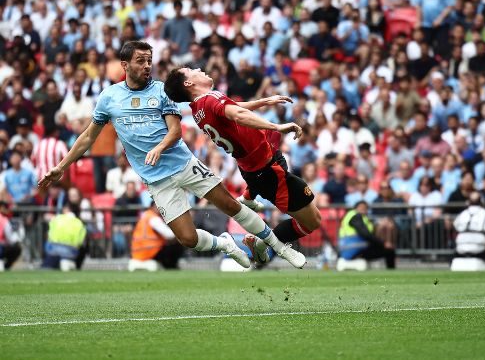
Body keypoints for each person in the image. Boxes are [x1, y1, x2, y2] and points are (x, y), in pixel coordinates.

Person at [39, 41, 306, 271]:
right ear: (124, 65)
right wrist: (61, 167)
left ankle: (280, 249)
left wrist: (159, 147)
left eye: (149, 61)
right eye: (140, 61)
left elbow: (175, 131)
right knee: (187, 238)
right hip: (156, 180)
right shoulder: (109, 98)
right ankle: (224, 243)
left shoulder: (160, 91)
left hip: (183, 164)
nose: (147, 66)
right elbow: (88, 136)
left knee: (230, 206)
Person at [162, 66, 322, 264]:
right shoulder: (210, 100)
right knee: (312, 221)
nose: (198, 69)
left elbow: (233, 109)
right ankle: (262, 242)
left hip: (257, 164)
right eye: (190, 70)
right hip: (267, 171)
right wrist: (277, 127)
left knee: (304, 209)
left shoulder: (198, 108)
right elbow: (237, 114)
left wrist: (264, 102)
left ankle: (249, 196)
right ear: (188, 83)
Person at [338, 201, 395, 269]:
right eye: (361, 207)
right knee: (389, 251)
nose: (363, 209)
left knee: (387, 249)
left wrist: (381, 224)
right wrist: (383, 243)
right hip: (353, 247)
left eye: (365, 208)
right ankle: (390, 271)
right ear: (356, 208)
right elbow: (365, 234)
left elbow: (369, 231)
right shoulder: (355, 216)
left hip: (348, 247)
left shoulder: (361, 218)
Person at [452, 192, 485, 269]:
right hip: (480, 247)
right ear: (482, 202)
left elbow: (454, 227)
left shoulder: (463, 213)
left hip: (460, 246)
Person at [131, 204, 183, 269]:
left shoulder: (145, 216)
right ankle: (171, 267)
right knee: (178, 245)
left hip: (138, 253)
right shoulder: (153, 218)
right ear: (152, 207)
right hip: (151, 251)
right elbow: (169, 235)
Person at [0, 201, 21, 271]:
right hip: (1, 247)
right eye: (6, 208)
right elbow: (10, 238)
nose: (8, 211)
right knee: (17, 248)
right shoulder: (4, 220)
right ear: (2, 208)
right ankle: (5, 266)